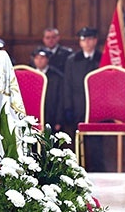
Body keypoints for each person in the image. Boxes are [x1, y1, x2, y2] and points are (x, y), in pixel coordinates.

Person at [63, 26, 104, 170]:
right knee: (78, 145)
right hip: (78, 107)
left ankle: (98, 172)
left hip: (97, 109)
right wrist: (68, 107)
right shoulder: (72, 60)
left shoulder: (102, 59)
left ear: (95, 40)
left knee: (97, 146)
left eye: (90, 39)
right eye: (84, 39)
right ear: (80, 42)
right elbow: (67, 85)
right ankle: (78, 172)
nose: (87, 42)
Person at [31, 45, 65, 132]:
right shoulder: (30, 75)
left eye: (42, 58)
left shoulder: (56, 76)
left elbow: (61, 99)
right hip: (33, 117)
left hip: (51, 117)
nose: (39, 61)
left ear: (47, 59)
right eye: (37, 58)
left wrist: (59, 120)